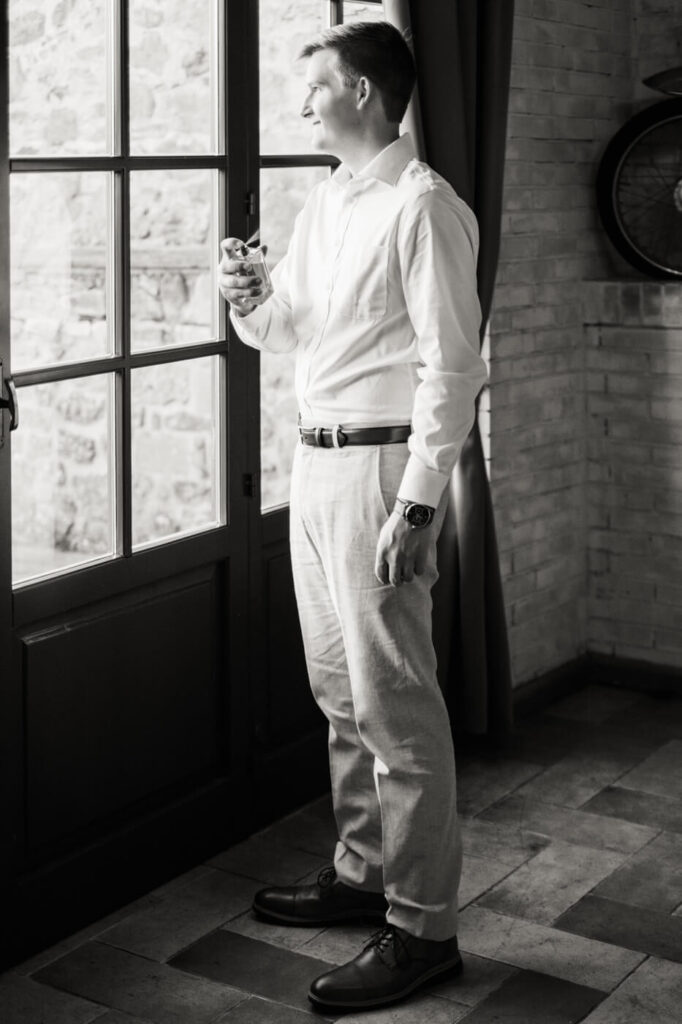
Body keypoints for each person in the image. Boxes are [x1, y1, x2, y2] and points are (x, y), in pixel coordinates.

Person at [218, 20, 487, 1013]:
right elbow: (287, 331)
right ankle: (361, 869)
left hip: (382, 476)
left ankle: (423, 931)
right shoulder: (327, 201)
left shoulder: (426, 208)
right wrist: (248, 299)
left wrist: (417, 502)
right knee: (340, 694)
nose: (300, 106)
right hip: (315, 469)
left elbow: (452, 370)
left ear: (366, 96)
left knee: (397, 708)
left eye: (314, 87)